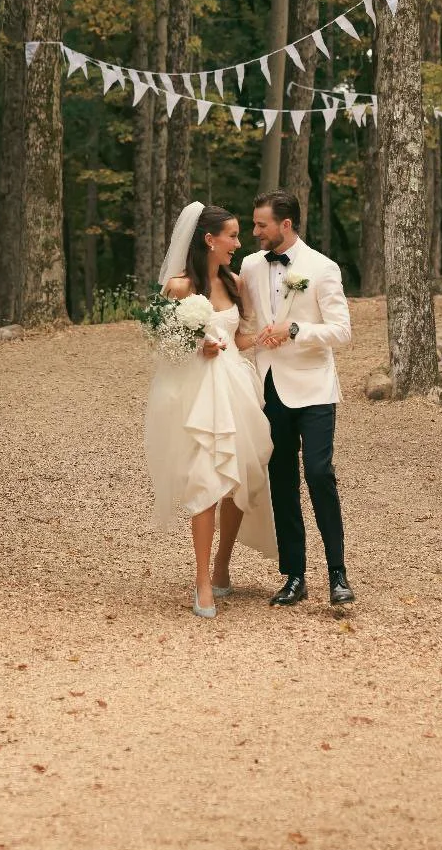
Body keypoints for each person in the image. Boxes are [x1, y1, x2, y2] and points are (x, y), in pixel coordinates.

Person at [143, 201, 277, 618]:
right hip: (198, 392)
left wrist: (264, 339)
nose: (238, 243)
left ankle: (223, 562)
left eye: (239, 235)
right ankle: (201, 577)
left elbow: (239, 340)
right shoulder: (180, 288)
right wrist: (197, 346)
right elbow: (161, 344)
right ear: (209, 240)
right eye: (232, 236)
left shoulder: (235, 283)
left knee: (241, 477)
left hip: (237, 386)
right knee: (205, 478)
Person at [239, 188, 355, 609]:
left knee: (320, 473)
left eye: (261, 225)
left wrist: (296, 331)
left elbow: (342, 331)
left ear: (285, 225)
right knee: (282, 479)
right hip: (269, 384)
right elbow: (243, 317)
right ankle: (294, 575)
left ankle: (338, 573)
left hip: (314, 386)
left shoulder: (322, 267)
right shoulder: (251, 266)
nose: (254, 232)